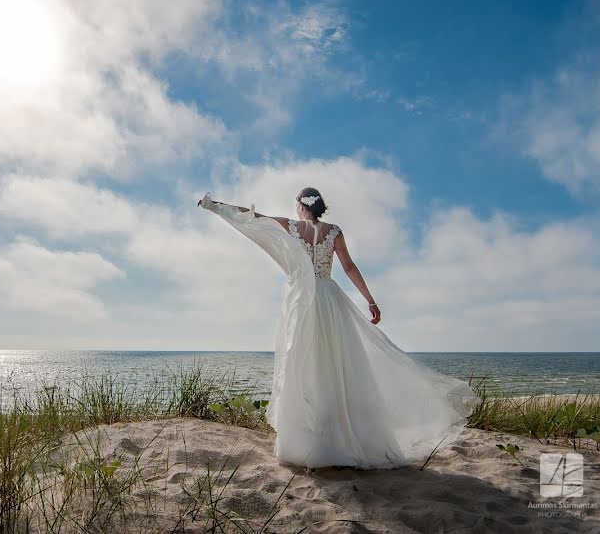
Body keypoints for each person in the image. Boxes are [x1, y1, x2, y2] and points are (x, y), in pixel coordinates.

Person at [197, 188, 479, 470]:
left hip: (302, 300)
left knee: (303, 362)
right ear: (320, 207)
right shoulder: (335, 232)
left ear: (300, 206)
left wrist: (215, 205)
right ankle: (341, 436)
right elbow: (349, 267)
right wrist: (370, 300)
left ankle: (306, 442)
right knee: (337, 365)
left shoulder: (290, 226)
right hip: (330, 299)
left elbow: (250, 216)